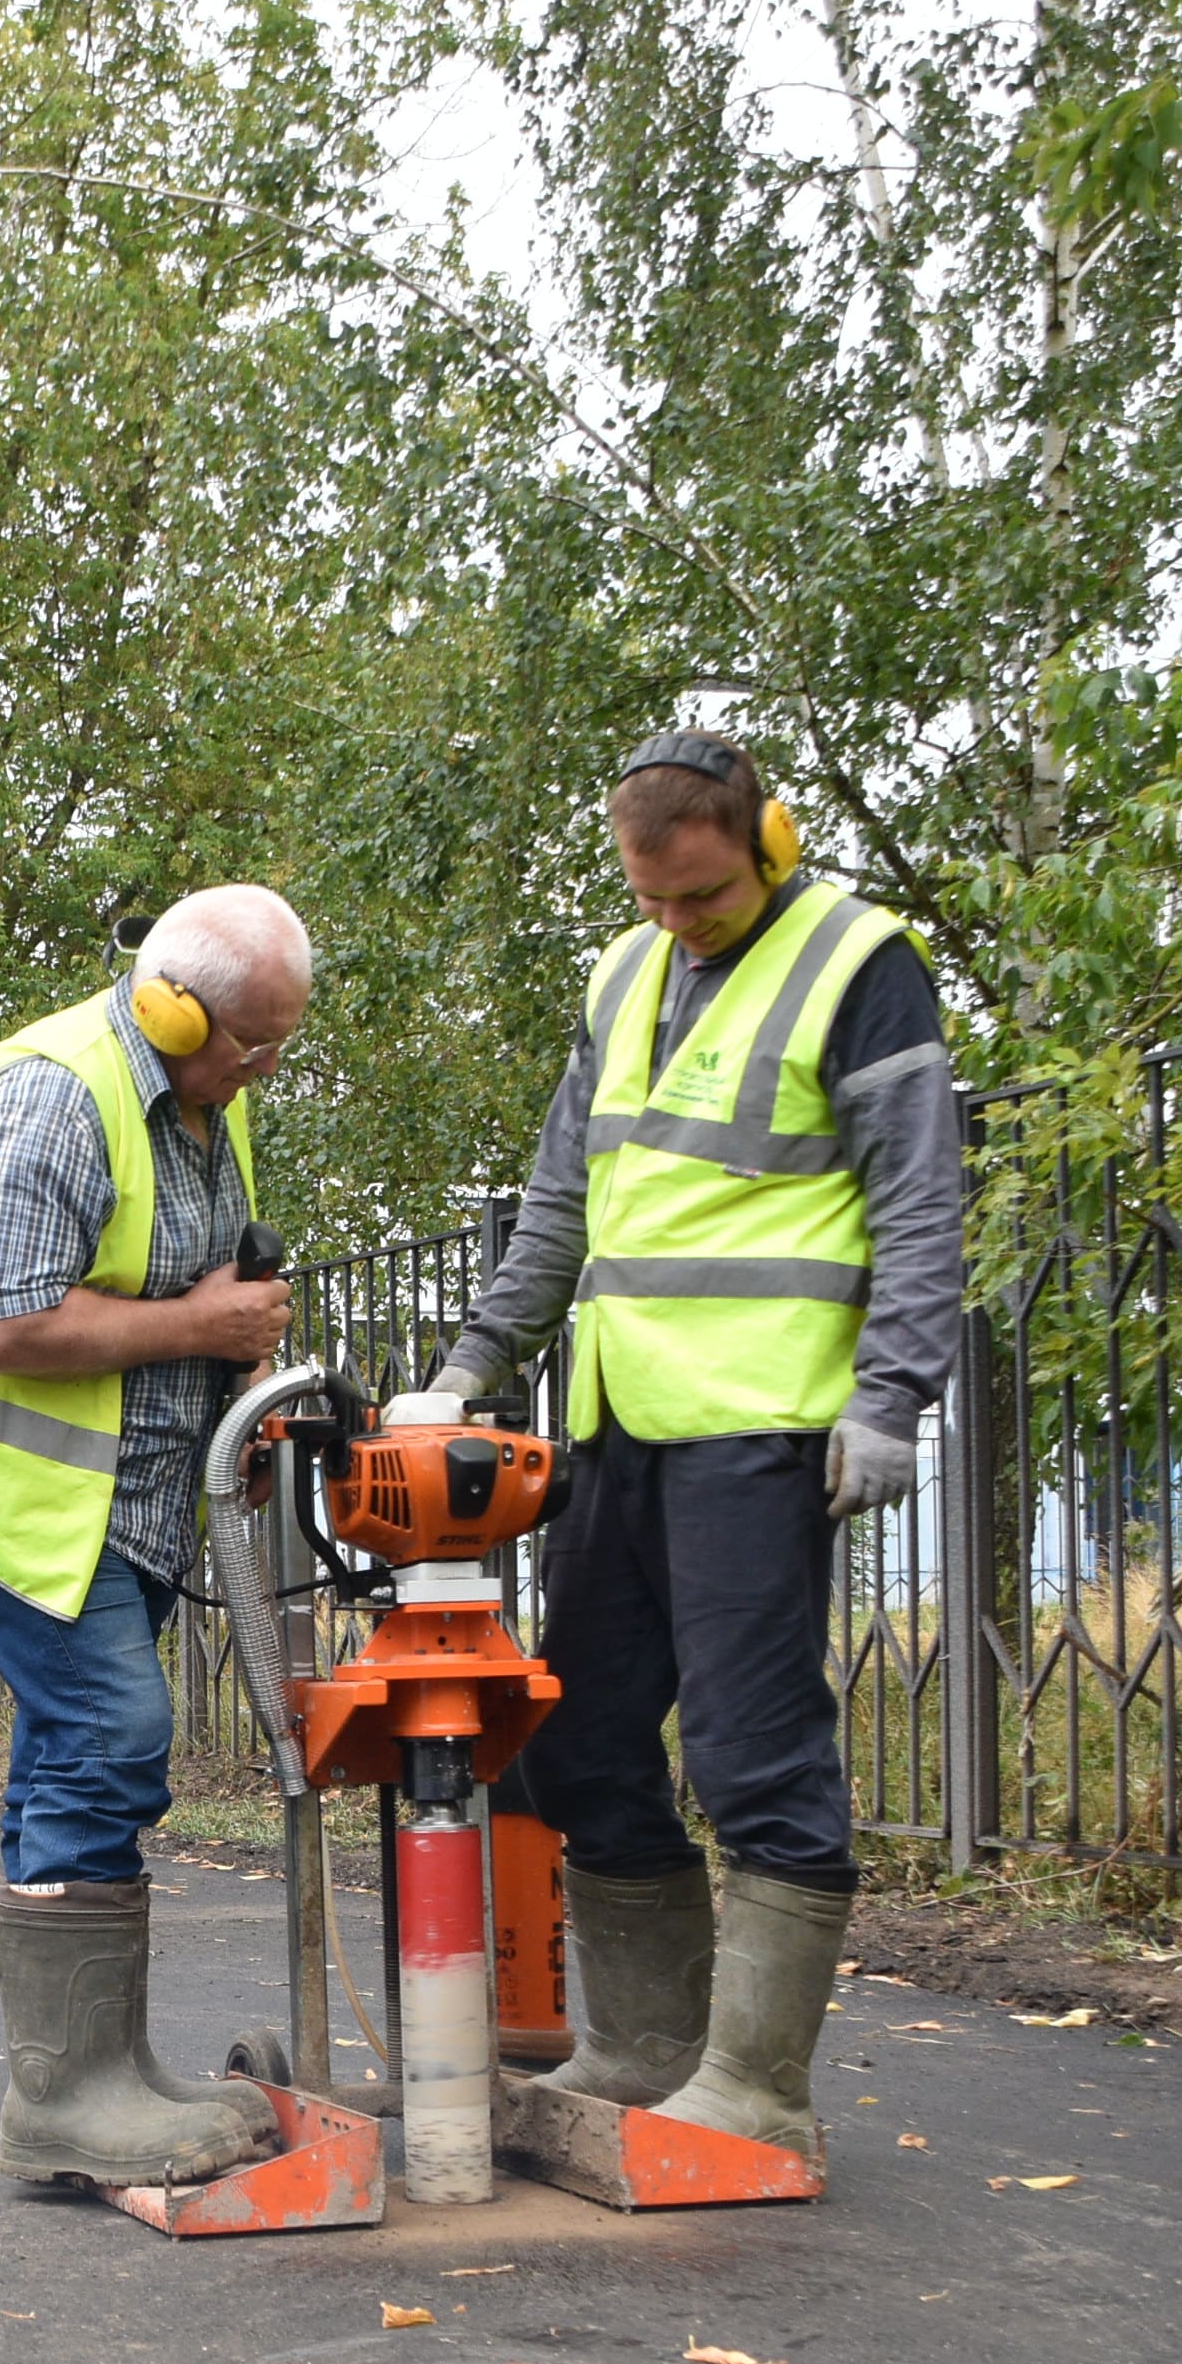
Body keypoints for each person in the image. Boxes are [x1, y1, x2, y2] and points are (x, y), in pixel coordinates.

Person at [394, 732, 960, 2167]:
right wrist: (469, 1367)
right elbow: (561, 1199)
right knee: (579, 1739)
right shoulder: (622, 975)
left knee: (751, 1751)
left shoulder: (858, 961)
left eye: (702, 895)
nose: (678, 922)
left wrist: (891, 1397)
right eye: (651, 899)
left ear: (770, 842)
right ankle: (649, 2049)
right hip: (621, 1421)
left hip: (765, 1425)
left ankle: (758, 2090)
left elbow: (918, 1198)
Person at [0, 885, 315, 2187]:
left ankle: (87, 2079)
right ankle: (71, 2099)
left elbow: (210, 1281)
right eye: (254, 1043)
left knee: (72, 1751)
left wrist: (244, 1385)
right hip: (15, 1487)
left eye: (281, 1044)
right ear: (172, 1009)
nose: (264, 1068)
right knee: (111, 1735)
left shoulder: (207, 1098)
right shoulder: (55, 1099)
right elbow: (5, 1326)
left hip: (128, 1495)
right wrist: (204, 1329)